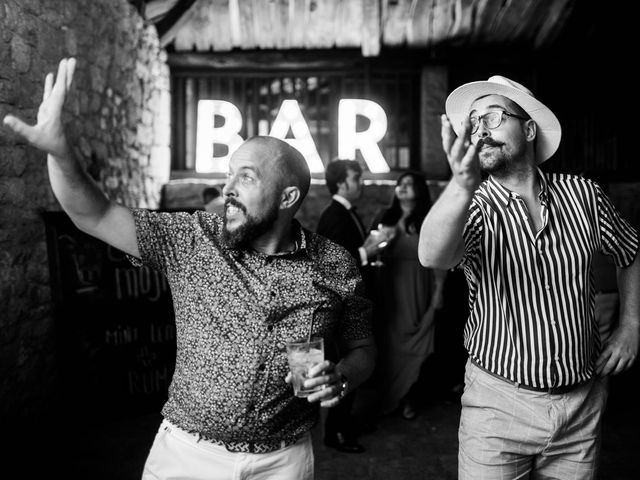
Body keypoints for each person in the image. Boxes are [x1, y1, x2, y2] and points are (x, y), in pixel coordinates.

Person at [3, 57, 375, 480]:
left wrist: (341, 376)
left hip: (284, 460)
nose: (228, 189)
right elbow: (95, 214)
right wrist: (60, 152)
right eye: (228, 174)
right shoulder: (194, 239)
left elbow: (363, 350)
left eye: (246, 178)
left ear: (288, 197)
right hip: (188, 456)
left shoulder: (334, 263)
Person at [418, 74, 639, 479]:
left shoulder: (584, 194)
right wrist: (462, 183)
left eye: (494, 116)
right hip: (498, 409)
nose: (481, 128)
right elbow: (432, 255)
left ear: (530, 128)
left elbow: (631, 250)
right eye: (474, 121)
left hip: (581, 408)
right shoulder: (473, 205)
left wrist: (631, 325)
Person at [316, 158, 386, 453]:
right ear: (342, 183)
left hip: (353, 303)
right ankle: (336, 432)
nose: (362, 182)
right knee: (345, 365)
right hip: (342, 306)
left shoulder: (344, 213)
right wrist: (365, 251)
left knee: (353, 364)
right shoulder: (334, 215)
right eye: (357, 178)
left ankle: (346, 423)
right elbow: (331, 266)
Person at [368, 171, 446, 420]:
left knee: (417, 341)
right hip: (390, 287)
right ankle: (390, 397)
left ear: (420, 190)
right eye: (400, 184)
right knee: (389, 345)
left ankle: (408, 396)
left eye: (410, 184)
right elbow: (368, 250)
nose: (402, 187)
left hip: (419, 284)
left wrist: (439, 291)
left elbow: (439, 259)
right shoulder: (384, 216)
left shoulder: (429, 218)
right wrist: (383, 242)